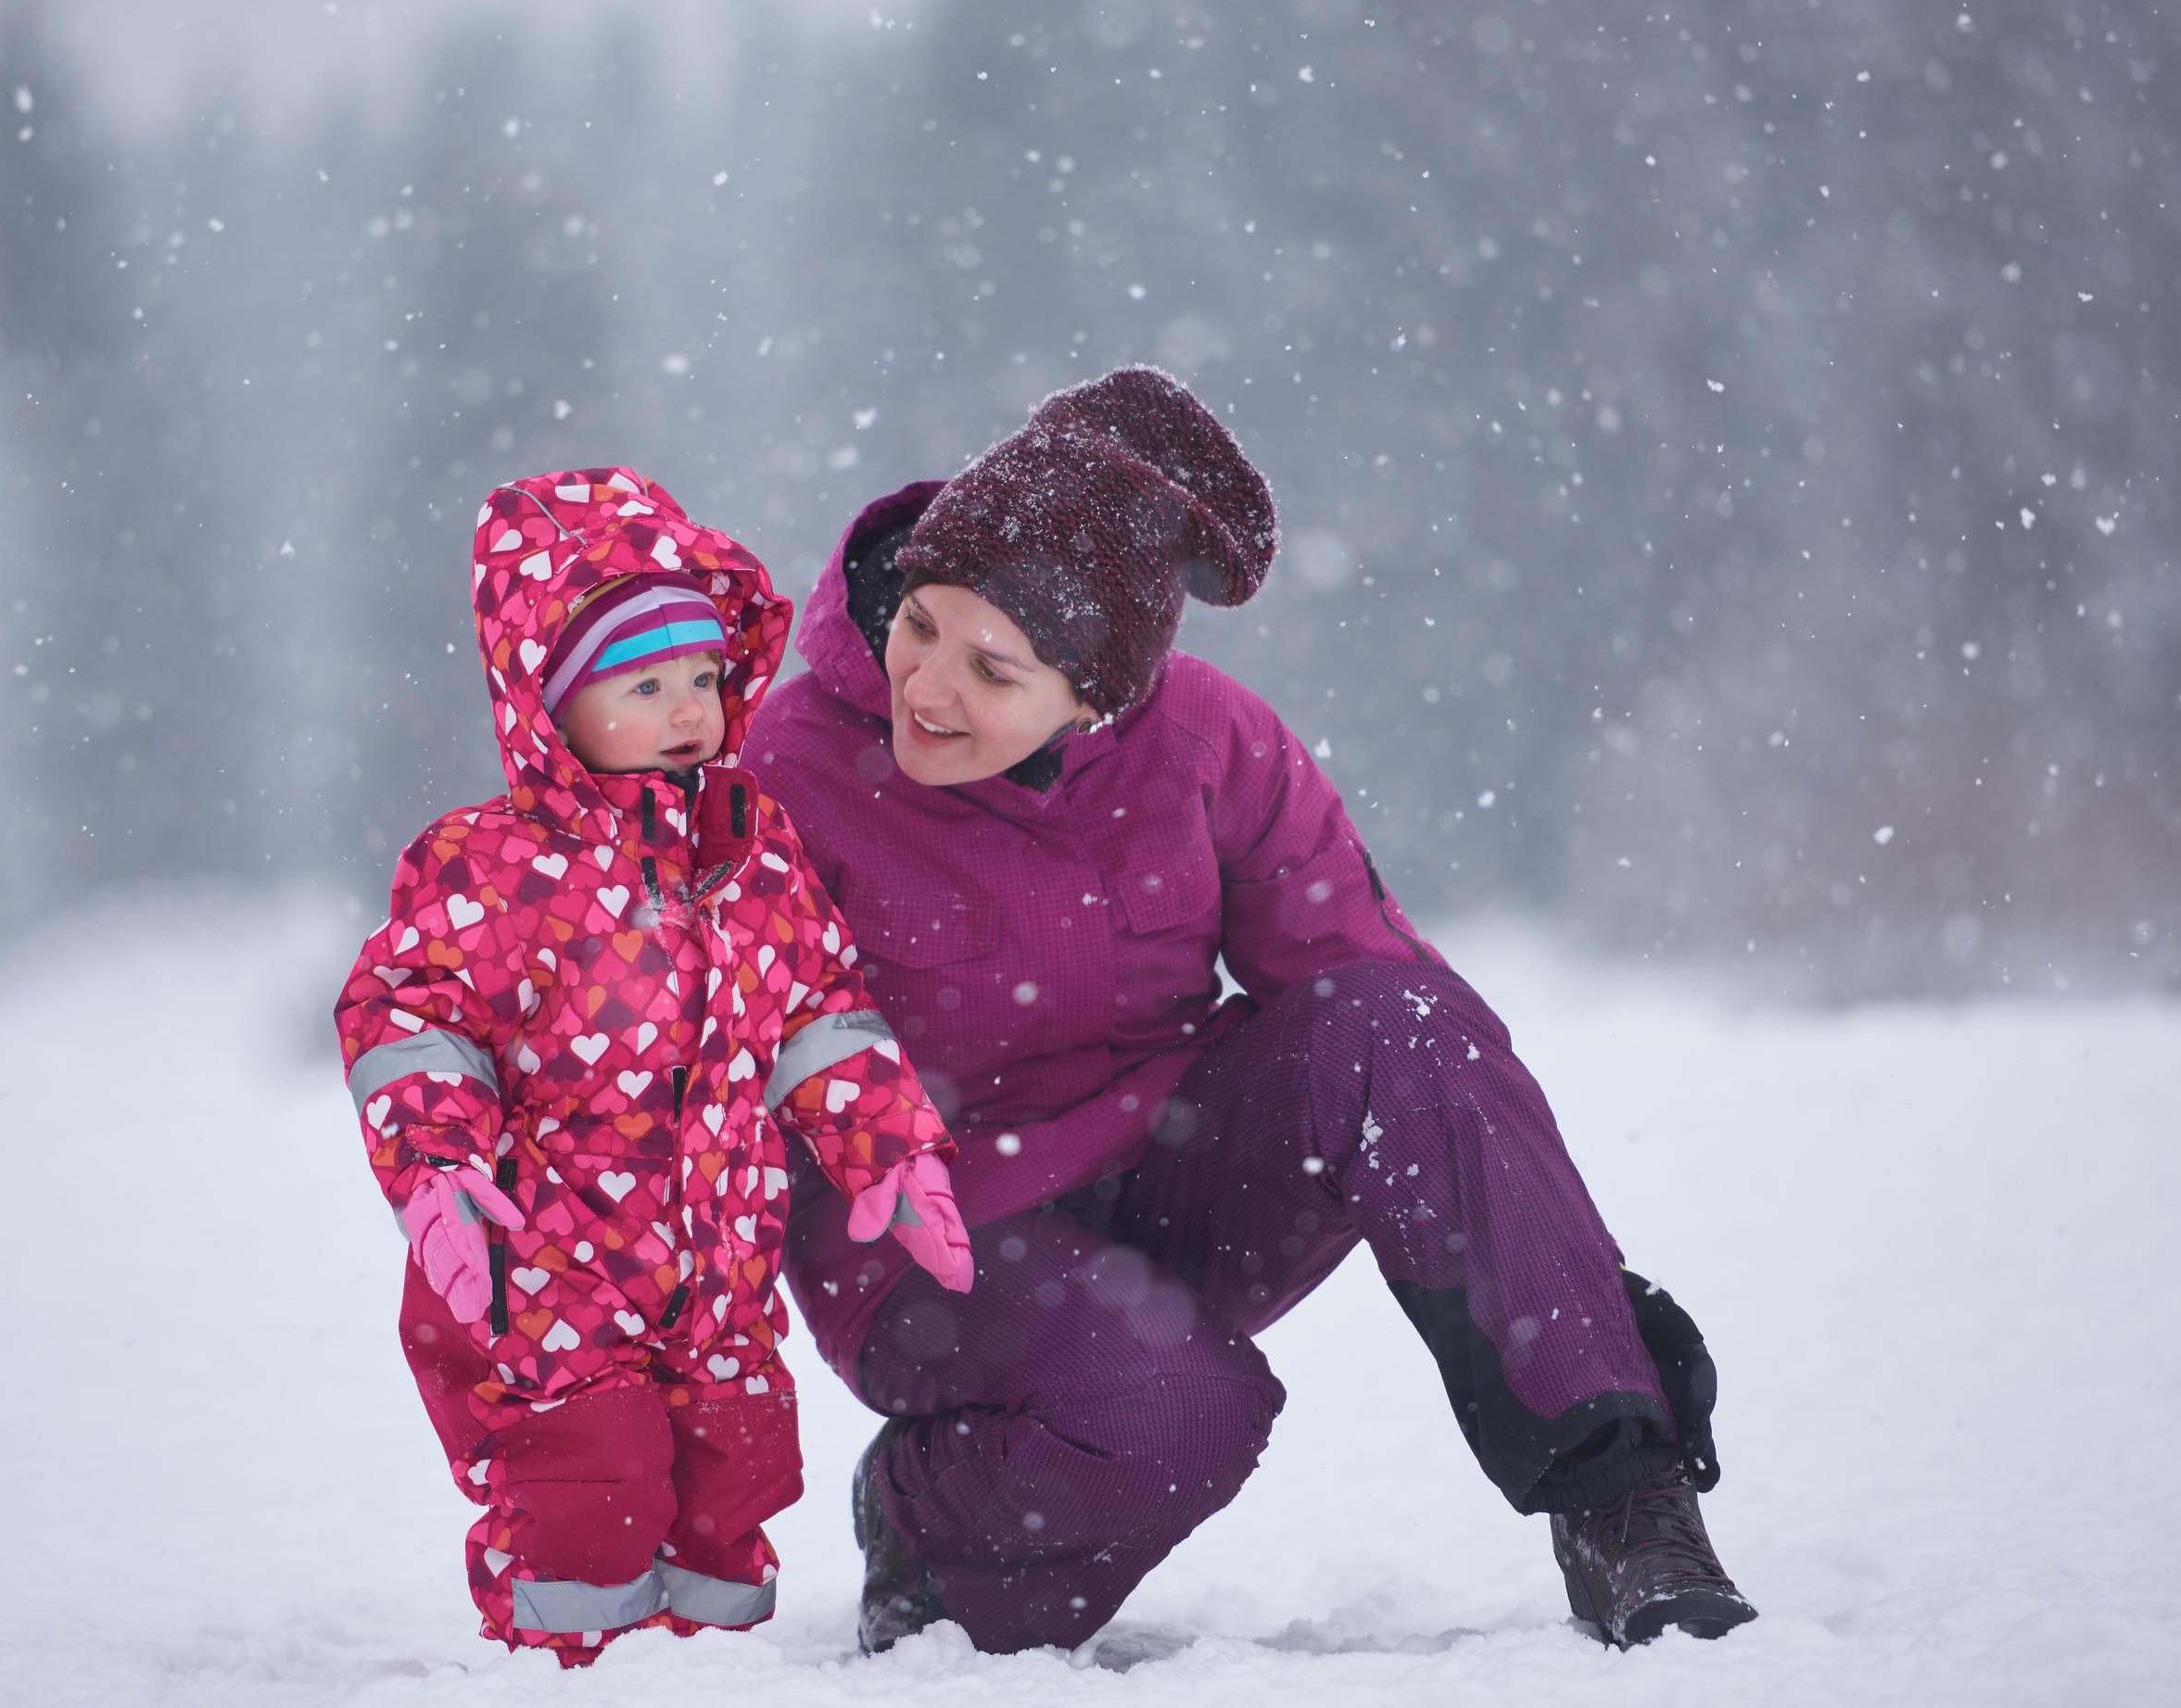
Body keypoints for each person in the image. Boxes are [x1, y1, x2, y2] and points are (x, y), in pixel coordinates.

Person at [740, 369, 1756, 1654]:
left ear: (1096, 694)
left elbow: (1384, 1012)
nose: (927, 685)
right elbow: (698, 1068)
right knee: (1182, 1416)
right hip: (928, 1238)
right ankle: (930, 1521)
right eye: (919, 624)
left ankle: (1625, 1509)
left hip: (1168, 1175)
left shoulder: (1212, 742)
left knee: (1402, 1023)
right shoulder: (779, 774)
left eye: (991, 669)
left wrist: (1578, 1297)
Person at [335, 466, 971, 1667]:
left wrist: (888, 1145)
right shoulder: (495, 864)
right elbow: (409, 1015)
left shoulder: (749, 847)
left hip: (720, 1264)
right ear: (550, 704)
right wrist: (436, 1170)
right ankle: (576, 1672)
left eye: (701, 678)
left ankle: (717, 1673)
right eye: (643, 684)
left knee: (732, 1481)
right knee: (590, 1482)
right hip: (553, 1266)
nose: (688, 707)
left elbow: (814, 1010)